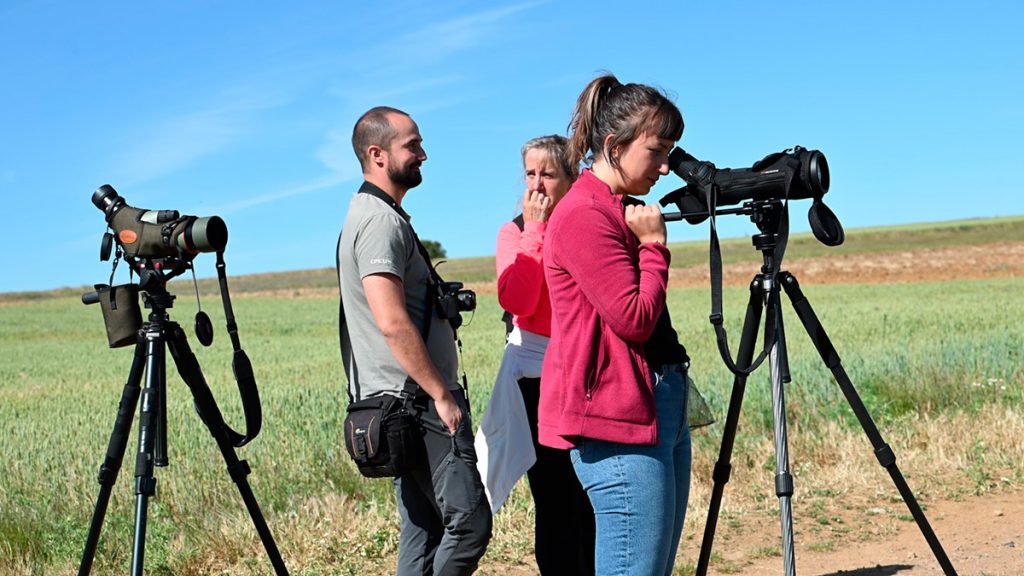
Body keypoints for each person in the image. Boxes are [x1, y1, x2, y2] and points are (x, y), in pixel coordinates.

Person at [538, 74, 693, 575]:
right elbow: (634, 317)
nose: (666, 167)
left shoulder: (614, 209)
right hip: (614, 419)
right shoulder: (584, 214)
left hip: (650, 401)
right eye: (657, 151)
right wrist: (654, 247)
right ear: (613, 145)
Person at [337, 106, 492, 576]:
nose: (423, 154)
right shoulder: (379, 223)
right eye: (413, 145)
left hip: (401, 401)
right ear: (377, 154)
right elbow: (391, 320)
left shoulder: (374, 215)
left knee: (423, 526)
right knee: (468, 525)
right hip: (418, 401)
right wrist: (441, 394)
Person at [474, 135, 596, 575]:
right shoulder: (513, 231)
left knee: (595, 494)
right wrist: (536, 232)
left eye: (548, 173)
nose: (538, 184)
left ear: (573, 177)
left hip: (588, 371)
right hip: (536, 377)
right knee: (557, 496)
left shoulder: (588, 223)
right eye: (530, 173)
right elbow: (518, 300)